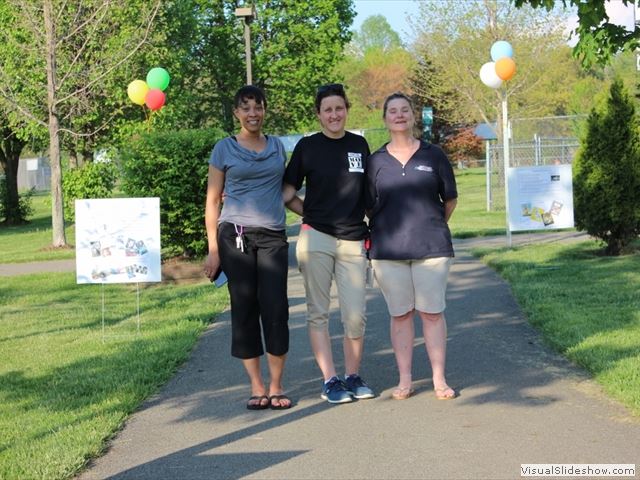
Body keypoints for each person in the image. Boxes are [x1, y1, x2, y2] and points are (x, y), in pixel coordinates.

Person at [283, 83, 374, 404]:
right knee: (318, 312)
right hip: (316, 238)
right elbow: (287, 194)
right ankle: (330, 380)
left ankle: (353, 376)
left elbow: (369, 196)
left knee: (355, 314)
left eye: (339, 108)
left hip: (353, 240)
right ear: (319, 115)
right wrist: (311, 213)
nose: (334, 115)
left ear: (346, 109)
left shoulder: (360, 145)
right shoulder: (308, 147)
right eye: (327, 110)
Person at [204, 85, 292, 410]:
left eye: (258, 107)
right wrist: (214, 249)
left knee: (276, 309)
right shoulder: (223, 149)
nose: (253, 113)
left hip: (272, 236)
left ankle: (277, 384)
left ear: (265, 110)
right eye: (246, 108)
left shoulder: (277, 147)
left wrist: (319, 215)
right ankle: (256, 386)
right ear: (236, 113)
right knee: (244, 309)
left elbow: (284, 191)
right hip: (234, 236)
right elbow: (213, 200)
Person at [366, 92, 458, 401]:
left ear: (413, 116)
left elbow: (450, 199)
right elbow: (368, 205)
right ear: (385, 119)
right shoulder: (376, 161)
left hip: (431, 248)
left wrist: (428, 224)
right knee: (401, 315)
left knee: (432, 313)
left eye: (405, 110)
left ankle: (439, 379)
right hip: (388, 250)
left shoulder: (434, 156)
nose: (399, 115)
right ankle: (405, 380)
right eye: (393, 111)